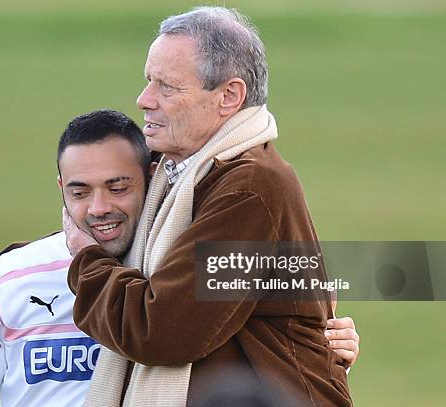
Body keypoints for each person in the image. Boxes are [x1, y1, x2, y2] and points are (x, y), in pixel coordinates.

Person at [63, 6, 353, 406]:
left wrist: (88, 265)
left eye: (167, 87)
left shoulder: (249, 188)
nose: (144, 99)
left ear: (229, 96)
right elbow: (99, 232)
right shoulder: (179, 173)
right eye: (149, 81)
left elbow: (161, 330)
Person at [0, 110, 152, 406]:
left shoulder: (177, 269)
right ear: (62, 188)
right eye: (80, 192)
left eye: (118, 188)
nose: (99, 207)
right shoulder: (2, 286)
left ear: (151, 177)